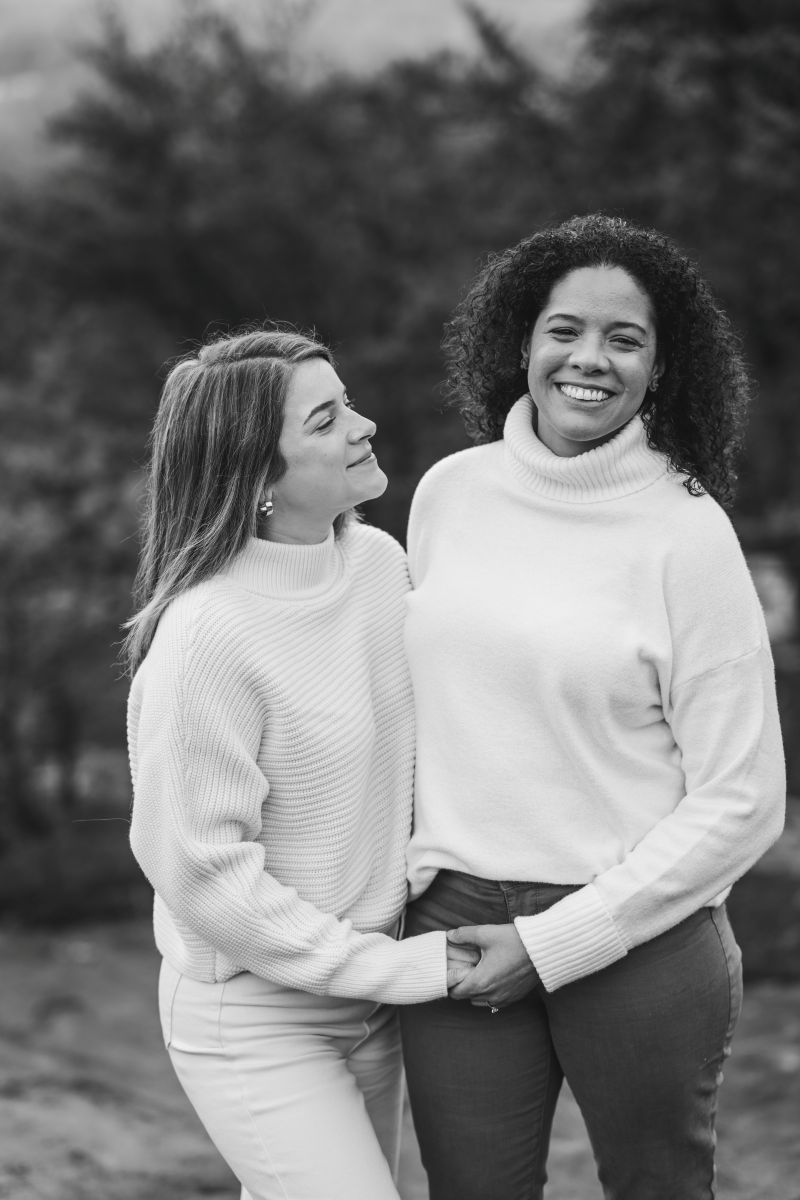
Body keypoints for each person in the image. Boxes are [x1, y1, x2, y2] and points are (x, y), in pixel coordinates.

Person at [399, 214, 786, 1200]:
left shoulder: (684, 533)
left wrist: (554, 940)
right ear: (520, 342)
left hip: (637, 937)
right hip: (452, 924)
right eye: (565, 329)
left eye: (625, 338)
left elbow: (741, 796)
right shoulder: (449, 495)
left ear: (659, 370)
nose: (589, 359)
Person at [123, 327, 474, 1200]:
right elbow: (203, 875)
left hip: (373, 995)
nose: (363, 425)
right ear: (257, 477)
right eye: (326, 420)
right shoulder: (208, 635)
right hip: (255, 1014)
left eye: (346, 401)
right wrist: (394, 970)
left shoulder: (380, 567)